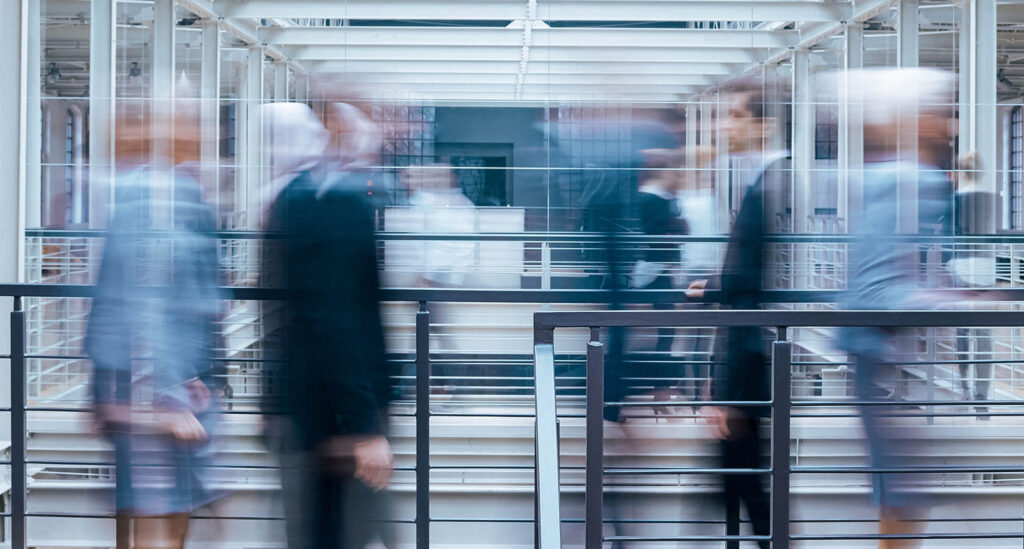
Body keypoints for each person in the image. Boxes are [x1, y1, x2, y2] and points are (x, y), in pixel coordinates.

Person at [85, 90, 226, 549]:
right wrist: (165, 399)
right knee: (156, 514)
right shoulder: (155, 200)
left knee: (165, 512)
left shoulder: (172, 196)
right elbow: (138, 304)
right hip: (152, 389)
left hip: (168, 385)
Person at [830, 67, 958, 548]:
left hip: (875, 346)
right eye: (940, 114)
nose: (948, 126)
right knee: (902, 482)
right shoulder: (913, 180)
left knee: (898, 480)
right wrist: (954, 304)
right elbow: (880, 286)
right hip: (880, 347)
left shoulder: (888, 177)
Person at [260, 102, 395, 549]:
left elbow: (281, 314)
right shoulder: (334, 204)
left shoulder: (291, 199)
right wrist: (365, 424)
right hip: (335, 413)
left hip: (307, 406)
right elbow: (337, 317)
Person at [686, 75, 792, 549]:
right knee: (739, 478)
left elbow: (753, 284)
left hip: (750, 358)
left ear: (764, 125)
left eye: (735, 115)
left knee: (744, 479)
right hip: (746, 356)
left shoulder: (770, 183)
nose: (724, 125)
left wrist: (726, 389)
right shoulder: (758, 180)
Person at [951, 151, 995, 416]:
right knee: (985, 335)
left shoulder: (958, 199)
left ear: (962, 171)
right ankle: (982, 395)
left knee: (963, 333)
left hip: (962, 270)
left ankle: (965, 389)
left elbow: (954, 237)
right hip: (987, 271)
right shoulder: (992, 198)